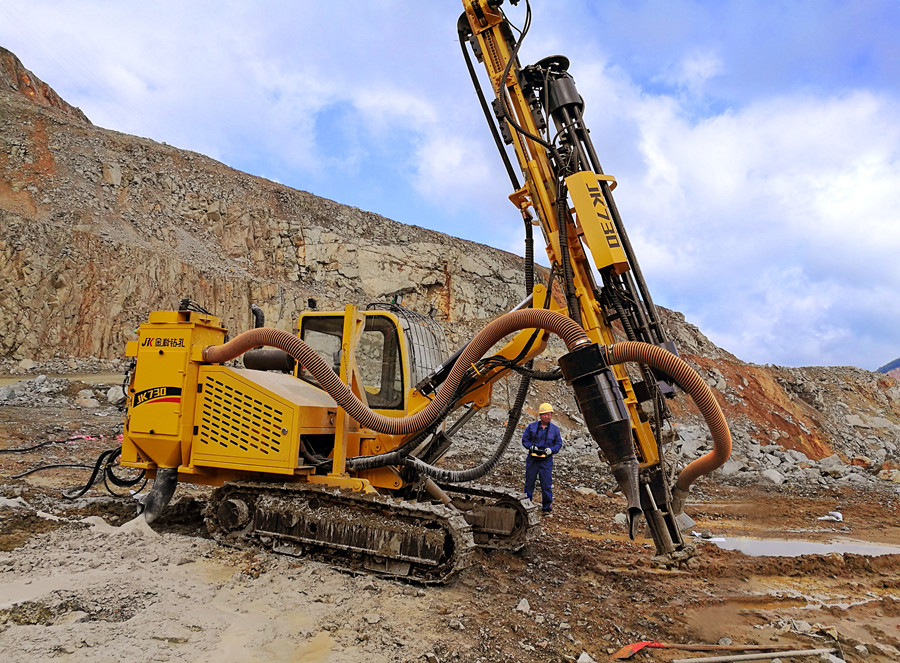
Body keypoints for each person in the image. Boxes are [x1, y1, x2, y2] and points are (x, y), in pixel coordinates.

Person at [522, 402, 563, 513]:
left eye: (550, 414)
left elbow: (558, 443)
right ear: (540, 415)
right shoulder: (532, 427)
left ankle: (546, 508)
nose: (548, 416)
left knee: (546, 485)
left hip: (546, 461)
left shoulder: (554, 430)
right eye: (545, 414)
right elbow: (525, 440)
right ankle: (527, 506)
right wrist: (531, 447)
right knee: (529, 484)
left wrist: (551, 450)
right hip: (533, 460)